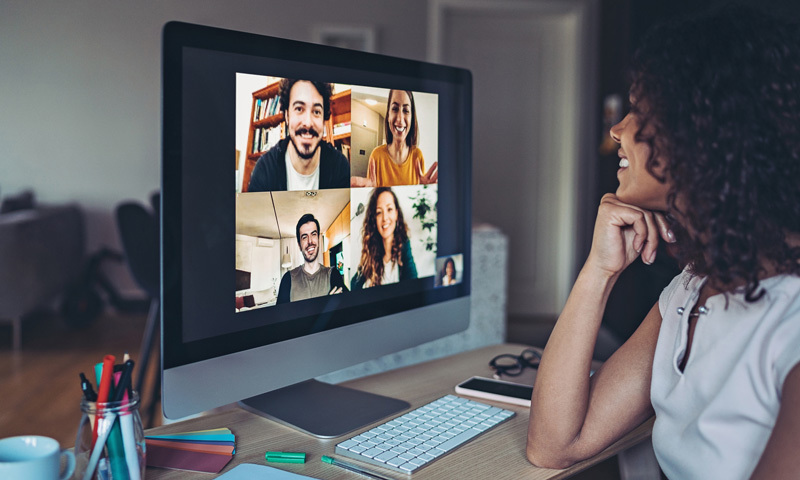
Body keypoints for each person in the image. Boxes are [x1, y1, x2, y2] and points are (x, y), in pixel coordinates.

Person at [526, 6, 800, 479]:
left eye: (641, 112)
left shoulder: (789, 321)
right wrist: (599, 270)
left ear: (704, 135)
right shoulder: (693, 289)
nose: (617, 130)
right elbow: (555, 445)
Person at [248, 79, 350, 191]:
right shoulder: (265, 169)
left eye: (316, 112)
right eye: (299, 109)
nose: (308, 123)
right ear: (287, 116)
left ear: (323, 120)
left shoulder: (340, 167)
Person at [350, 90, 438, 187]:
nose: (400, 119)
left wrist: (425, 189)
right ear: (388, 116)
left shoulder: (417, 155)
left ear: (412, 117)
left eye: (406, 110)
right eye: (395, 109)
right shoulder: (376, 156)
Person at [351, 187, 417, 289]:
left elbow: (413, 285)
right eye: (379, 212)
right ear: (374, 219)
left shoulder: (404, 246)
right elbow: (354, 284)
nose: (385, 218)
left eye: (389, 209)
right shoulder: (371, 251)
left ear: (396, 213)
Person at [276, 214, 346, 303]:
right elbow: (280, 316)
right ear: (299, 245)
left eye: (313, 234)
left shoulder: (333, 275)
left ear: (318, 239)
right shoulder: (287, 279)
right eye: (304, 237)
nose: (310, 241)